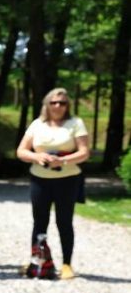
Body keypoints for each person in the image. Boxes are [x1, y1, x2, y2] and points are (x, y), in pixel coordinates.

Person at [16, 87, 89, 280]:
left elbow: (84, 152)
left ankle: (66, 264)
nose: (58, 106)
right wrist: (36, 156)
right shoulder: (37, 124)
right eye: (54, 102)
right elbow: (21, 151)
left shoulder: (76, 123)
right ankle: (36, 260)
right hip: (40, 179)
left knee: (64, 221)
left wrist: (63, 161)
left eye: (62, 103)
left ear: (68, 106)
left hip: (67, 180)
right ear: (47, 104)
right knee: (39, 221)